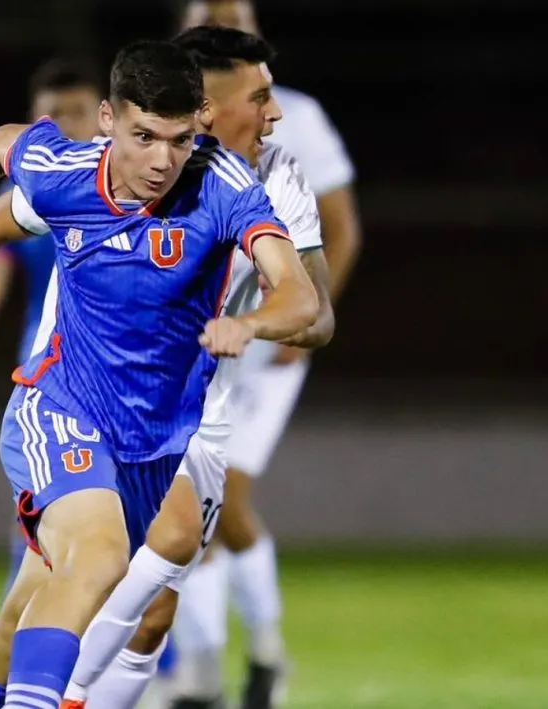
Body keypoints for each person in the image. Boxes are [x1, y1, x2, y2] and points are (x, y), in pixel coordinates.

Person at [0, 38, 320, 709]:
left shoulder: (224, 185)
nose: (161, 160)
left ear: (197, 126)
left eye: (177, 139)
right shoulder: (68, 172)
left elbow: (300, 294)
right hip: (59, 405)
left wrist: (251, 323)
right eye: (144, 136)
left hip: (153, 443)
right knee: (102, 556)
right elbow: (0, 152)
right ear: (109, 120)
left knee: (18, 619)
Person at [57, 26, 335, 709]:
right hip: (84, 402)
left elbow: (318, 314)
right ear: (207, 110)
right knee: (83, 583)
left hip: (200, 415)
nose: (275, 114)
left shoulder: (276, 178)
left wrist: (254, 323)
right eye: (261, 96)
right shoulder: (116, 168)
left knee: (152, 608)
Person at [171, 3, 364, 707]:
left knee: (211, 508)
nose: (272, 112)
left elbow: (331, 253)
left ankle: (248, 659)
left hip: (251, 354)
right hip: (162, 368)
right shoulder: (138, 144)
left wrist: (278, 324)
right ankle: (195, 668)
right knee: (161, 529)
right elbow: (10, 183)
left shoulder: (285, 148)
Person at [0, 58, 104, 592]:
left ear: (105, 115)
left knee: (143, 529)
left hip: (130, 384)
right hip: (52, 385)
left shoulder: (140, 184)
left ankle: (167, 663)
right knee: (42, 520)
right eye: (52, 114)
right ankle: (17, 652)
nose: (66, 124)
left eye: (78, 111)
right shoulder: (29, 196)